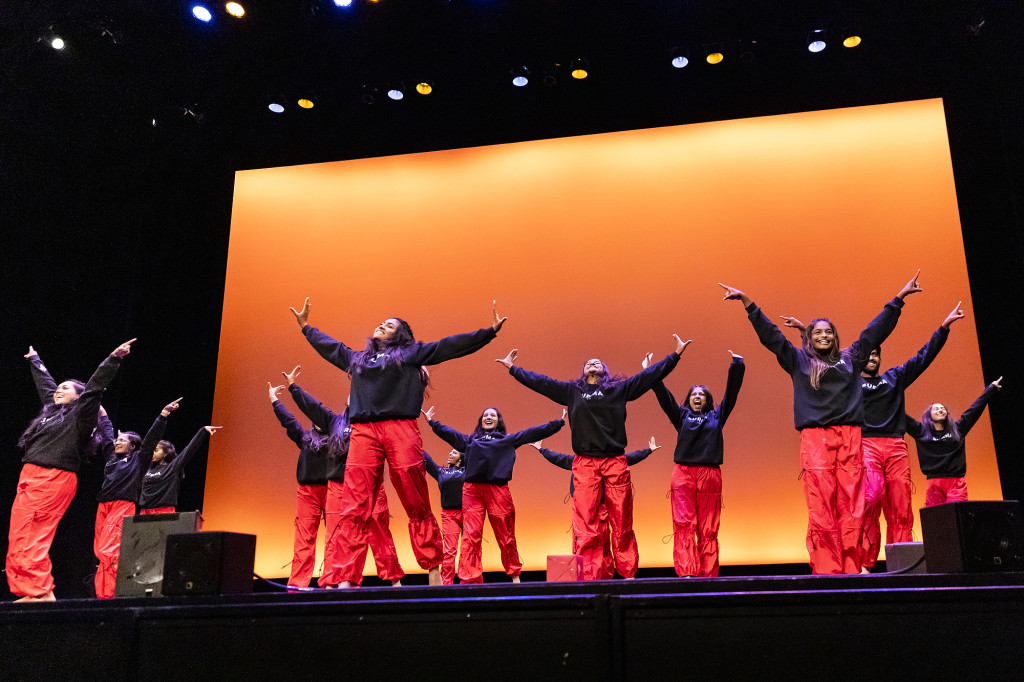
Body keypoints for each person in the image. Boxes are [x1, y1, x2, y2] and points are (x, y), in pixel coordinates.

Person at [290, 298, 505, 587]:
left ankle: (433, 568)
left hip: (400, 428)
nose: (381, 325)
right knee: (355, 504)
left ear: (400, 335)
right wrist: (306, 327)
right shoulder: (358, 359)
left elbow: (448, 347)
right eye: (381, 322)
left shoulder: (410, 353)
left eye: (389, 325)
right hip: (364, 431)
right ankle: (345, 578)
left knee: (414, 496)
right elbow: (332, 348)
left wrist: (488, 332)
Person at [719, 272, 920, 574]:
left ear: (834, 336)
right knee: (821, 506)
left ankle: (852, 568)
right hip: (815, 440)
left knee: (852, 506)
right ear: (810, 339)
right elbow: (771, 337)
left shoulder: (851, 359)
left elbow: (874, 332)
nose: (823, 336)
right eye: (817, 333)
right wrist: (749, 303)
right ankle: (828, 569)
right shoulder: (799, 361)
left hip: (851, 437)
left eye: (828, 332)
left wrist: (899, 299)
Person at [782, 301, 964, 569]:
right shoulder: (848, 374)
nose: (872, 359)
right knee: (868, 500)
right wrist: (804, 334)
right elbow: (819, 367)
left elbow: (922, 357)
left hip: (894, 445)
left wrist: (943, 329)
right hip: (863, 444)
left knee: (901, 506)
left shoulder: (894, 378)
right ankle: (863, 562)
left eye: (876, 355)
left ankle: (902, 563)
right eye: (869, 355)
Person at [497, 335, 686, 581]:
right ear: (583, 372)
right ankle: (590, 579)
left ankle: (628, 577)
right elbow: (541, 383)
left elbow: (649, 377)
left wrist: (676, 355)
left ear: (605, 371)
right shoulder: (572, 391)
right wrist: (513, 369)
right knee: (587, 525)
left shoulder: (619, 389)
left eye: (597, 363)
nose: (592, 364)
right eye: (588, 363)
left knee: (622, 520)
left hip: (615, 461)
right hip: (585, 463)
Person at [8, 340, 134, 602]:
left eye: (66, 389)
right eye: (59, 387)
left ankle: (39, 592)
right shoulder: (52, 413)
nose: (58, 391)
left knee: (32, 534)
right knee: (19, 535)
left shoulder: (79, 416)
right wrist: (35, 360)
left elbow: (94, 388)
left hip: (52, 477)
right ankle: (32, 590)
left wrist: (113, 358)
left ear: (79, 398)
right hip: (30, 476)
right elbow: (46, 386)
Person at [278, 366, 404, 587]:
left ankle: (394, 580)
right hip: (338, 485)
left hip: (368, 485)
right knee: (336, 535)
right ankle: (335, 580)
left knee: (379, 532)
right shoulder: (334, 422)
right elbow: (313, 408)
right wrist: (293, 388)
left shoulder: (374, 423)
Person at [423, 405, 565, 583]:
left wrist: (558, 423)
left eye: (493, 415)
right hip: (472, 490)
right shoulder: (470, 441)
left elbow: (531, 433)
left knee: (505, 535)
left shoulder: (507, 440)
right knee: (470, 535)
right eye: (485, 415)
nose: (488, 417)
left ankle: (514, 575)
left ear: (498, 421)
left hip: (497, 490)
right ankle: (470, 579)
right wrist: (432, 423)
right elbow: (450, 434)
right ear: (481, 421)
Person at [649, 351, 745, 578]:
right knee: (684, 524)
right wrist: (652, 371)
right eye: (694, 394)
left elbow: (731, 394)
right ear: (689, 399)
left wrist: (737, 365)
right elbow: (664, 396)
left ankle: (708, 575)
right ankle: (687, 574)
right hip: (683, 473)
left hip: (710, 474)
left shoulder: (717, 416)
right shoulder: (681, 416)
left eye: (702, 394)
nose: (698, 396)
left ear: (708, 399)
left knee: (708, 528)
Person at [530, 435, 659, 579]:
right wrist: (542, 450)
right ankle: (591, 576)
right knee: (587, 540)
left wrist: (648, 450)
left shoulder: (609, 461)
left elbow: (630, 458)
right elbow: (558, 458)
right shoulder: (579, 462)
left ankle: (605, 575)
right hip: (585, 508)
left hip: (603, 507)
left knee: (603, 542)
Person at [92, 397, 180, 598]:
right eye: (118, 440)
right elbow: (106, 435)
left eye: (122, 440)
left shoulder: (139, 459)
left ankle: (114, 595)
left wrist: (163, 415)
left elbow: (150, 440)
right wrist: (102, 413)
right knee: (99, 552)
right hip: (103, 506)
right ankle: (102, 595)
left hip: (122, 506)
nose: (117, 442)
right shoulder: (112, 459)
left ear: (132, 446)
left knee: (110, 551)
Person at [268, 381, 330, 588]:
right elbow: (288, 421)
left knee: (335, 538)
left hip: (333, 490)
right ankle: (297, 586)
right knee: (304, 539)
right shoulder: (304, 437)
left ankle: (334, 582)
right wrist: (274, 400)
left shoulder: (337, 438)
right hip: (308, 492)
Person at [906, 377, 1002, 506]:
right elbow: (902, 417)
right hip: (934, 483)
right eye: (936, 409)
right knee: (937, 520)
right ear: (929, 416)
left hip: (956, 483)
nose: (940, 410)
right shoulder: (922, 432)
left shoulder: (958, 429)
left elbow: (974, 410)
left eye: (943, 408)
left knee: (956, 518)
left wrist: (990, 389)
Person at [138, 417, 222, 513]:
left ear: (165, 453)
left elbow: (188, 451)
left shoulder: (172, 467)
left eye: (156, 450)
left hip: (164, 511)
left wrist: (203, 431)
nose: (153, 453)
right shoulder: (148, 468)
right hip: (144, 512)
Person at [423, 449, 466, 585]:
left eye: (454, 453)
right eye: (450, 452)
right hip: (449, 515)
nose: (449, 454)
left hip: (468, 513)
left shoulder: (469, 471)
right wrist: (415, 443)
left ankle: (469, 582)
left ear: (461, 459)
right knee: (449, 552)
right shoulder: (441, 472)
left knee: (469, 549)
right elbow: (428, 461)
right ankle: (446, 586)